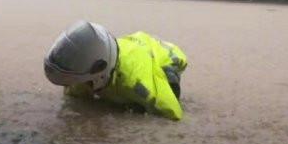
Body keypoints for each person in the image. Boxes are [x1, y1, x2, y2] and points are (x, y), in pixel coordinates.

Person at [44, 20, 188, 120]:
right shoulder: (85, 68)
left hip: (165, 56)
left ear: (100, 70)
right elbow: (74, 99)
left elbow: (174, 114)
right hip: (132, 46)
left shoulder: (137, 82)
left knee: (145, 105)